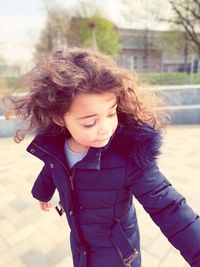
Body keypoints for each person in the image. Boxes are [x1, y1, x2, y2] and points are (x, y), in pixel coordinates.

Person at [13, 48, 200, 267]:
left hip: (119, 255)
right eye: (90, 122)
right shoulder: (57, 146)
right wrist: (42, 193)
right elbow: (53, 168)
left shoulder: (129, 157)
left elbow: (169, 208)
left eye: (111, 113)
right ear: (59, 118)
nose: (105, 128)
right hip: (81, 246)